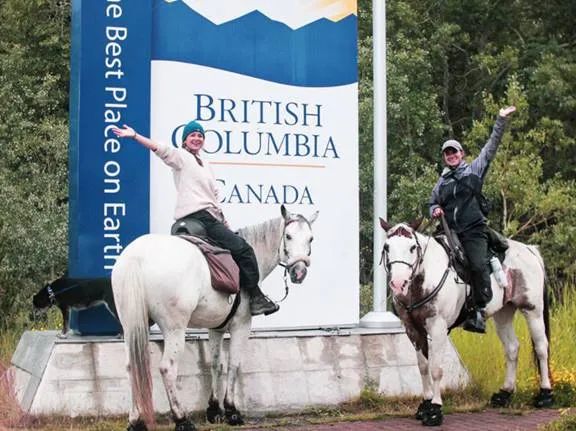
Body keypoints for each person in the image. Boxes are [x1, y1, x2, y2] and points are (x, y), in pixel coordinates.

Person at [112, 120, 279, 316]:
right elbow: (161, 149)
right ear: (185, 140)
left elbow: (213, 199)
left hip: (209, 217)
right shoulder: (181, 157)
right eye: (193, 135)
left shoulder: (206, 164)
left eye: (200, 135)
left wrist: (223, 222)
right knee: (244, 250)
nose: (197, 138)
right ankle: (256, 297)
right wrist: (135, 136)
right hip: (200, 218)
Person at [429, 105, 516, 334]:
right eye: (448, 154)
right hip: (449, 232)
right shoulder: (442, 181)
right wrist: (435, 209)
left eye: (454, 152)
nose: (451, 156)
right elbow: (432, 202)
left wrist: (500, 121)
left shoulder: (474, 171)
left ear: (462, 154)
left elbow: (491, 147)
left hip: (473, 230)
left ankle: (478, 310)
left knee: (477, 265)